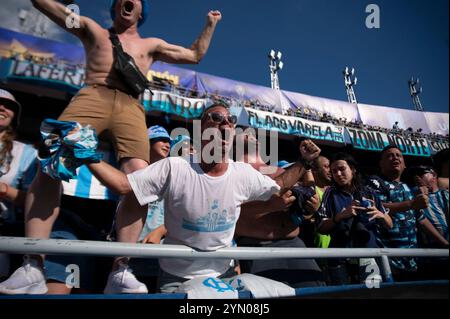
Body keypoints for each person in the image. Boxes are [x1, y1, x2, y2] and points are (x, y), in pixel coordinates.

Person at [0, 0, 222, 294]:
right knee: (50, 163)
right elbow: (52, 9)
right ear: (115, 8)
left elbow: (195, 55)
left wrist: (210, 24)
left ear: (141, 11)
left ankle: (121, 270)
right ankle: (32, 265)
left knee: (140, 181)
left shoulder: (151, 45)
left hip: (131, 105)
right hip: (93, 94)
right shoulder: (93, 29)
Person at [84, 101, 321, 293]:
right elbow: (126, 187)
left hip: (224, 274)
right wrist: (87, 155)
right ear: (200, 132)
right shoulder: (175, 167)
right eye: (215, 118)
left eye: (230, 120)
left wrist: (304, 162)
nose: (225, 123)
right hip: (175, 277)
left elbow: (278, 185)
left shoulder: (242, 173)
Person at [234, 131, 325, 288]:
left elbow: (302, 209)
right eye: (243, 133)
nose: (251, 135)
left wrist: (310, 206)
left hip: (295, 244)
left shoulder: (281, 170)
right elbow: (271, 192)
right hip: (257, 249)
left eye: (254, 133)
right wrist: (303, 162)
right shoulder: (231, 171)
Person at [367, 145, 448, 281]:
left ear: (404, 164)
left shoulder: (407, 188)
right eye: (389, 155)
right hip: (390, 259)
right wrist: (411, 204)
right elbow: (378, 207)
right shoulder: (375, 182)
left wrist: (444, 243)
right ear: (381, 163)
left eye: (399, 155)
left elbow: (421, 219)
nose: (395, 158)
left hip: (413, 259)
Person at [316, 153, 393, 285]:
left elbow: (389, 225)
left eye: (342, 169)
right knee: (343, 296)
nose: (338, 174)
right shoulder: (330, 193)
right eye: (334, 171)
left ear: (353, 169)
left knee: (372, 293)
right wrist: (340, 216)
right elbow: (321, 228)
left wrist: (381, 215)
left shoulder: (369, 192)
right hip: (339, 258)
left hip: (369, 255)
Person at [0, 89, 37, 280]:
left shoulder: (26, 153)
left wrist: (4, 190)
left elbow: (34, 203)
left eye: (9, 106)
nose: (2, 107)